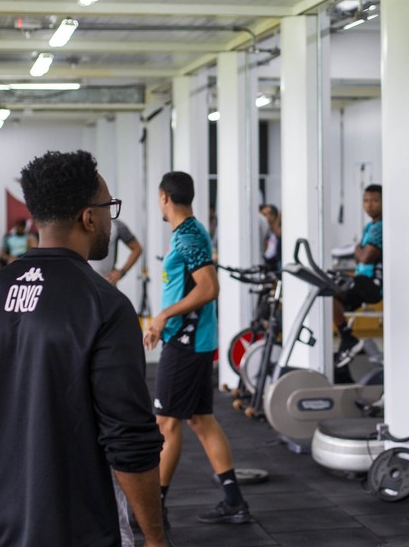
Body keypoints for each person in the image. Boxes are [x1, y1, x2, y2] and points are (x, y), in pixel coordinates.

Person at [0, 150, 166, 547]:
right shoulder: (104, 305)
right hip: (79, 530)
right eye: (109, 208)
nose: (110, 221)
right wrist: (155, 538)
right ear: (88, 216)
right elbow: (129, 437)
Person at [143, 171, 252, 526]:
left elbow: (208, 288)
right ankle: (234, 501)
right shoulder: (188, 233)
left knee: (166, 424)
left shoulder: (188, 236)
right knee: (201, 420)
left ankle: (156, 509)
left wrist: (162, 317)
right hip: (192, 340)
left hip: (187, 344)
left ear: (164, 197)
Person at [332, 185, 383, 368]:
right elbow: (361, 255)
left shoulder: (380, 228)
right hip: (362, 280)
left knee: (333, 286)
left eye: (375, 201)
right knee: (329, 291)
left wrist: (357, 249)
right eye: (366, 201)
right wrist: (359, 251)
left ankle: (348, 339)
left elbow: (364, 257)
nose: (370, 205)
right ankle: (347, 338)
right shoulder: (370, 226)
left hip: (373, 284)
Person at [88, 218, 143, 286]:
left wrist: (122, 272)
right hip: (85, 284)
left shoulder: (117, 225)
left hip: (107, 284)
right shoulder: (80, 223)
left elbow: (137, 248)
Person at [259, 204, 282, 270]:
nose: (262, 218)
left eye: (264, 215)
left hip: (277, 264)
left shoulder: (278, 231)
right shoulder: (264, 231)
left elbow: (278, 233)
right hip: (266, 263)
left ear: (273, 216)